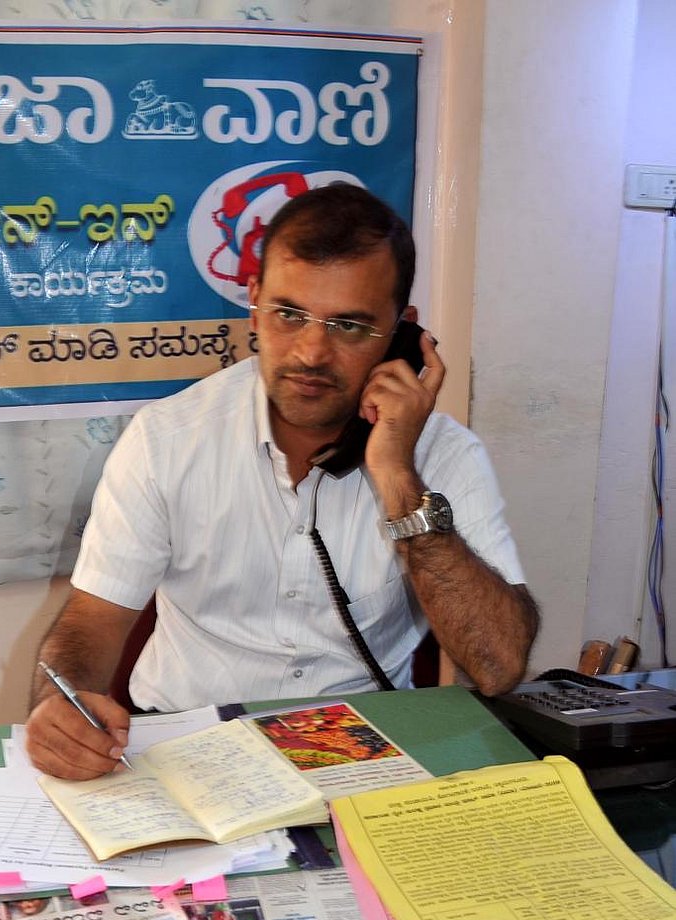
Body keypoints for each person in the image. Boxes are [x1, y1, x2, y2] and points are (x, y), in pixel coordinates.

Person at [27, 183, 539, 780]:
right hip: (187, 744)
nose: (312, 352)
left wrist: (399, 476)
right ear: (253, 300)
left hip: (366, 752)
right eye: (289, 315)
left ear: (403, 333)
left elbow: (498, 667)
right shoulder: (167, 439)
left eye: (350, 325)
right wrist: (59, 704)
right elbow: (90, 625)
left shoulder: (444, 456)